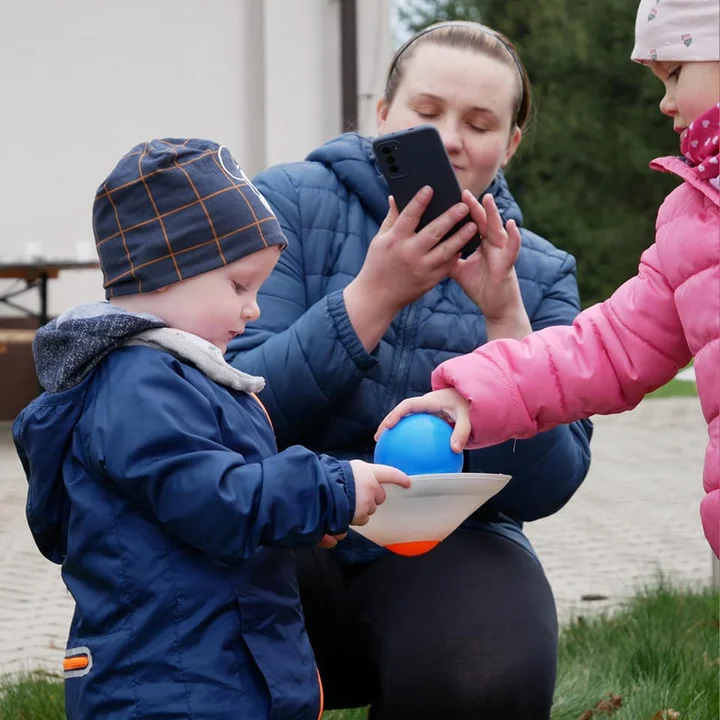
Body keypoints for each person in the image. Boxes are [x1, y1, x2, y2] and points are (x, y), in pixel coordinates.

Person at [226, 21, 593, 720]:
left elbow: (551, 484)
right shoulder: (289, 205)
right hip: (286, 520)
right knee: (178, 610)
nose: (451, 139)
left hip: (450, 547)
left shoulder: (538, 274)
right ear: (384, 113)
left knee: (488, 677)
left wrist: (506, 327)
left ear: (510, 144)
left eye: (479, 123)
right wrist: (371, 299)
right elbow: (238, 409)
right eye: (427, 114)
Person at [12, 138, 410, 720]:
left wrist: (301, 519)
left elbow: (218, 501)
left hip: (208, 667)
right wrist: (330, 488)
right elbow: (214, 498)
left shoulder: (173, 376)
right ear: (167, 269)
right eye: (239, 285)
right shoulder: (140, 383)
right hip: (169, 683)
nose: (252, 309)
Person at [379, 0, 720, 559]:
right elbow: (607, 346)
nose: (665, 101)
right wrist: (473, 394)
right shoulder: (692, 223)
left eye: (677, 72)